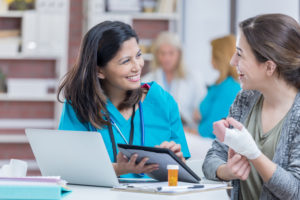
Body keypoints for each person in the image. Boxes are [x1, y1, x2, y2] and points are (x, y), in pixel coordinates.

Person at [57, 21, 190, 179]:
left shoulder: (162, 101)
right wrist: (118, 169)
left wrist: (177, 162)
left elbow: (182, 171)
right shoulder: (79, 105)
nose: (137, 66)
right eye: (126, 61)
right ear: (99, 70)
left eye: (138, 55)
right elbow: (68, 167)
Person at [202, 13, 300, 200]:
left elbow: (295, 190)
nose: (232, 62)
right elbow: (212, 157)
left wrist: (253, 153)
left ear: (269, 67)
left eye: (240, 54)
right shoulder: (245, 99)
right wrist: (227, 171)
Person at [142, 32, 206, 130]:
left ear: (179, 54)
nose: (166, 58)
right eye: (162, 53)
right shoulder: (147, 80)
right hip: (158, 130)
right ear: (156, 55)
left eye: (171, 53)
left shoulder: (193, 77)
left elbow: (202, 108)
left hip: (188, 130)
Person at [198, 35, 241, 139]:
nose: (211, 59)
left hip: (211, 142)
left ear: (220, 57)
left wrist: (194, 131)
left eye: (212, 55)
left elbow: (215, 125)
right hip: (205, 137)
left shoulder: (229, 87)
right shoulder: (219, 84)